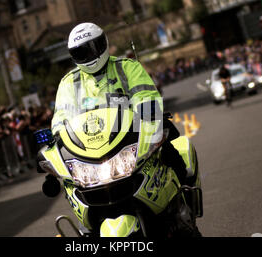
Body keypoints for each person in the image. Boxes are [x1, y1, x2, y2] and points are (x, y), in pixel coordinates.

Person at [50, 22, 194, 187]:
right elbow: (62, 114)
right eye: (81, 52)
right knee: (70, 183)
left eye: (92, 48)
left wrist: (150, 119)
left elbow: (146, 96)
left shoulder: (127, 67)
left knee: (167, 151)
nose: (88, 56)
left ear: (103, 44)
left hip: (131, 133)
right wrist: (58, 136)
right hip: (91, 145)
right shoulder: (69, 82)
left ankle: (185, 187)